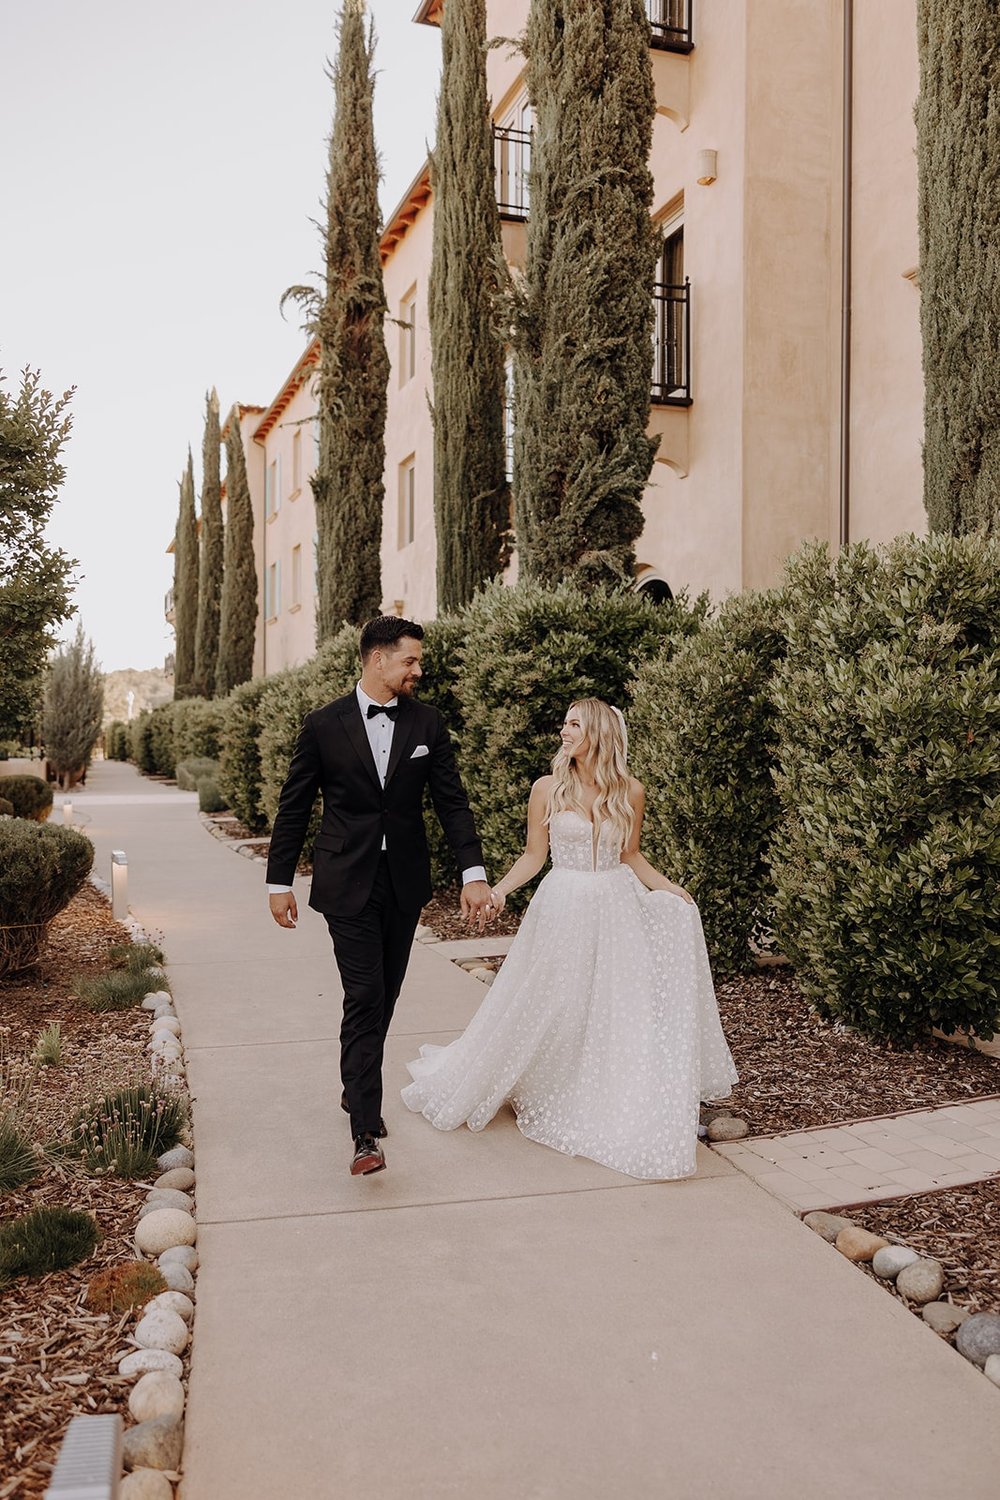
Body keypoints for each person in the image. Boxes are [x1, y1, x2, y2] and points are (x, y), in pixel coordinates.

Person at [402, 698, 738, 1180]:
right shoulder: (547, 789)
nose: (563, 731)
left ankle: (602, 1089)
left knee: (613, 1004)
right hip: (563, 904)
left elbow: (632, 856)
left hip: (617, 906)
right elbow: (534, 856)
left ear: (597, 733)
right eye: (563, 723)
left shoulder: (631, 791)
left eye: (573, 724)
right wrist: (497, 890)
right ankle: (541, 1079)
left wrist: (670, 890)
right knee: (552, 999)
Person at [266, 615, 492, 1177]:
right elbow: (294, 807)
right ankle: (365, 1131)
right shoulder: (323, 725)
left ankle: (353, 1083)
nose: (419, 669)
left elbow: (452, 802)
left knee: (385, 994)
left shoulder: (428, 723)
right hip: (346, 880)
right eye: (411, 660)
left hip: (405, 881)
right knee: (365, 993)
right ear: (377, 660)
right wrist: (278, 882)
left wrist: (473, 872)